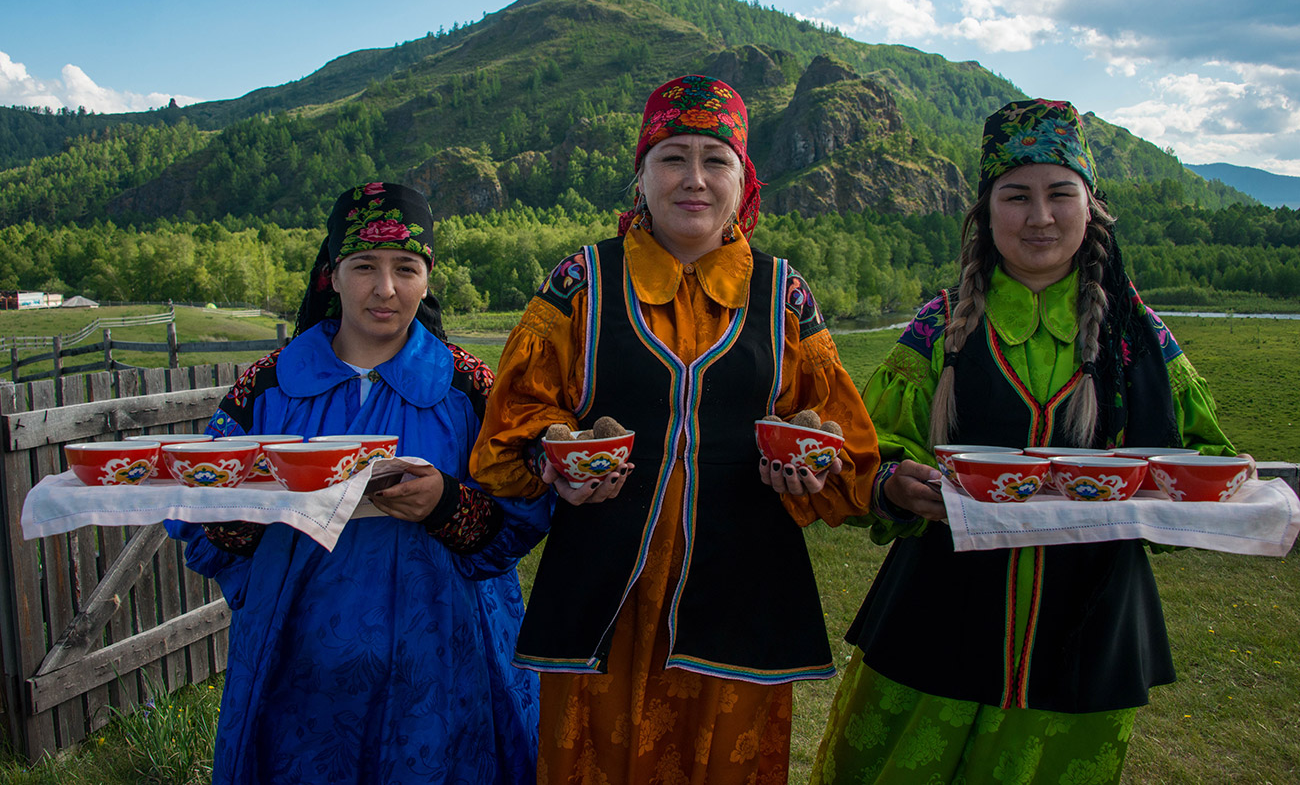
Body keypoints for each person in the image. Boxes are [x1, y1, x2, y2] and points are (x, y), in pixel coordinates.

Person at [811, 99, 1244, 784]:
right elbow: (869, 452)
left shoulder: (1140, 336)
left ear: (1091, 207)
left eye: (1058, 193)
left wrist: (1182, 494)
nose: (1039, 217)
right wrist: (893, 482)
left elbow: (1205, 463)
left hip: (1087, 637)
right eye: (1016, 196)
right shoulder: (939, 327)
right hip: (936, 626)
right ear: (985, 212)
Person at [471, 74, 881, 784]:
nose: (693, 178)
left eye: (714, 158)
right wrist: (554, 457)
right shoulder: (581, 284)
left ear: (741, 178)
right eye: (672, 157)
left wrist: (817, 471)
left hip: (742, 597)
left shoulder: (783, 294)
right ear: (642, 174)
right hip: (606, 603)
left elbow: (849, 453)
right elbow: (510, 432)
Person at [166, 182, 547, 785]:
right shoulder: (267, 388)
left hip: (444, 664)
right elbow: (201, 519)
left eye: (406, 268)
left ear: (427, 280)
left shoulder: (470, 387)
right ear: (333, 274)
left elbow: (522, 515)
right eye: (364, 266)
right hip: (302, 663)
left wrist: (443, 503)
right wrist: (252, 509)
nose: (385, 289)